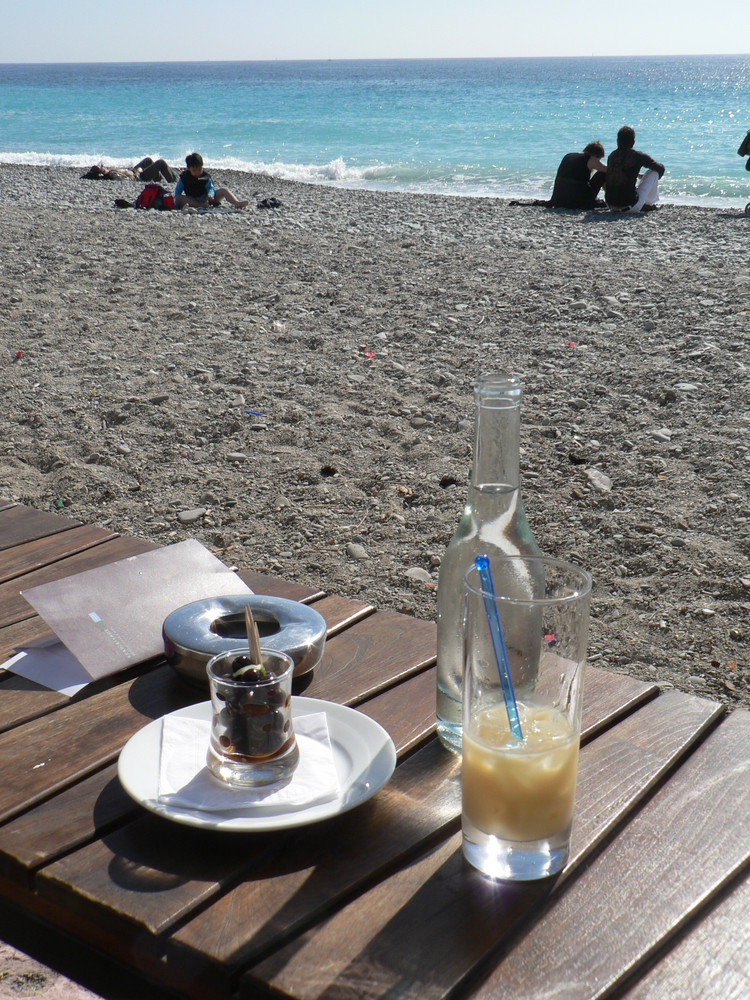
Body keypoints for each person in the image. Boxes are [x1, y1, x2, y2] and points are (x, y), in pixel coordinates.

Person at [605, 126, 665, 213]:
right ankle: (649, 204)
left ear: (617, 141)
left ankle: (644, 203)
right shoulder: (637, 156)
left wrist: (636, 174)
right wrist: (648, 179)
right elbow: (660, 169)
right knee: (653, 173)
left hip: (610, 205)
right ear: (633, 142)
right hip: (630, 206)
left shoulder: (612, 156)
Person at [174, 152, 249, 209]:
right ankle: (201, 205)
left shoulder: (205, 177)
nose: (197, 172)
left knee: (224, 190)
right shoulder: (184, 178)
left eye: (200, 169)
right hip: (192, 200)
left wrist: (210, 195)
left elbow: (211, 188)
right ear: (189, 169)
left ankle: (236, 203)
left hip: (207, 199)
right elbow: (178, 192)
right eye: (194, 170)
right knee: (178, 198)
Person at [549, 141, 607, 209]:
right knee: (602, 173)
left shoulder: (568, 156)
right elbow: (609, 170)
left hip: (559, 200)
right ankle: (613, 200)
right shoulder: (591, 159)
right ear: (596, 155)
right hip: (576, 202)